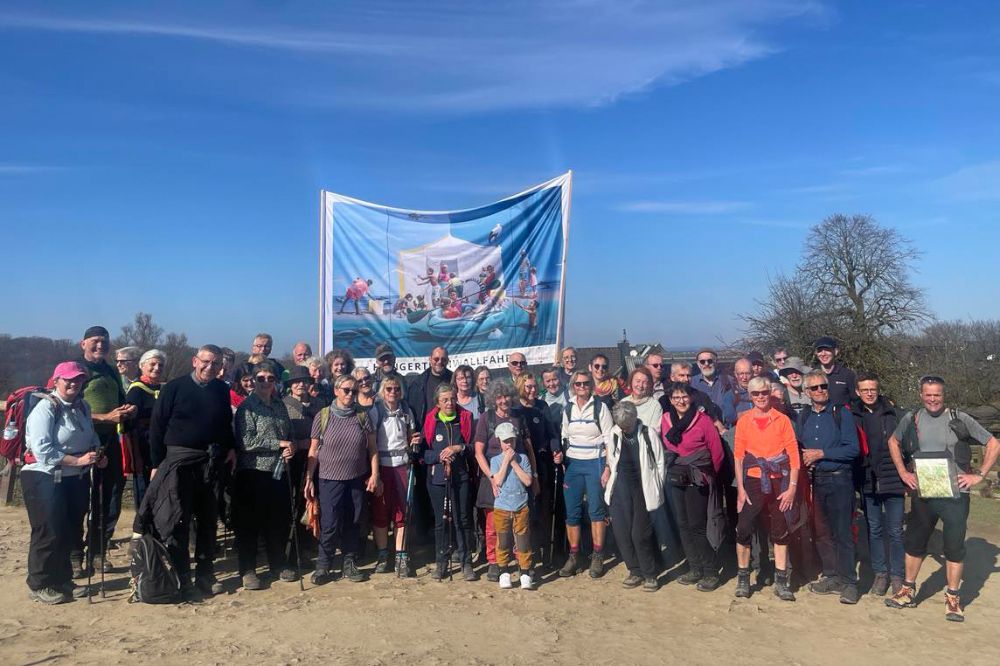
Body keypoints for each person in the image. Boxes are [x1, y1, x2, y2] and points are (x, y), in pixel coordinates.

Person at [885, 375, 1000, 622]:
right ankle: (907, 590)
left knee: (954, 546)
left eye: (937, 394)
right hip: (924, 492)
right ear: (921, 395)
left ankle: (952, 598)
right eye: (928, 394)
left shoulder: (959, 418)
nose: (933, 399)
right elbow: (893, 442)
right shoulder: (911, 418)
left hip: (956, 494)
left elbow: (993, 443)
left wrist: (978, 475)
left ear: (943, 395)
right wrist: (903, 472)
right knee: (915, 542)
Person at [144, 344, 235, 597]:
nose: (210, 367)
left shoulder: (221, 390)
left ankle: (206, 573)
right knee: (178, 520)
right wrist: (156, 464)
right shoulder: (174, 387)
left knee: (208, 520)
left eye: (216, 364)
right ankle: (183, 576)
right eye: (206, 362)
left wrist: (230, 447)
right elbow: (157, 427)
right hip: (178, 462)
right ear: (195, 361)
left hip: (211, 462)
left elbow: (226, 421)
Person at [22, 362, 105, 603]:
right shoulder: (45, 408)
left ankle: (62, 579)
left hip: (73, 478)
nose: (73, 384)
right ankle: (39, 583)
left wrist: (97, 453)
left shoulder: (83, 406)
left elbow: (91, 435)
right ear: (56, 380)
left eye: (78, 380)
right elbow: (42, 450)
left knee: (69, 530)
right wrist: (78, 460)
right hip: (44, 476)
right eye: (68, 379)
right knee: (48, 531)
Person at [304, 374, 380, 584]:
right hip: (329, 479)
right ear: (336, 390)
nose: (350, 394)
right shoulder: (323, 415)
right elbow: (313, 449)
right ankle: (323, 566)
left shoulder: (363, 416)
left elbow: (373, 449)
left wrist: (375, 474)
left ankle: (349, 562)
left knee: (354, 521)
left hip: (356, 478)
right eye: (346, 390)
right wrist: (309, 478)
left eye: (353, 391)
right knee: (329, 523)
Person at [732, 376, 800, 602]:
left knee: (780, 530)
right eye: (755, 394)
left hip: (778, 480)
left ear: (769, 393)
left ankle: (781, 581)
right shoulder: (744, 421)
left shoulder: (782, 420)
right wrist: (740, 489)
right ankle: (743, 577)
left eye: (764, 392)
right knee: (743, 527)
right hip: (753, 481)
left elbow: (794, 456)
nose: (760, 397)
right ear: (749, 396)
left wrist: (791, 488)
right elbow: (739, 457)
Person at [797, 369, 861, 603]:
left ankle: (849, 582)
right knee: (822, 533)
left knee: (843, 532)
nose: (820, 391)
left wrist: (822, 454)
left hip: (839, 479)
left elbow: (852, 449)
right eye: (814, 388)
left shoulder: (841, 414)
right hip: (816, 481)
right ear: (806, 392)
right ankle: (832, 575)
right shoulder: (805, 417)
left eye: (823, 386)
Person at [233, 360, 297, 589]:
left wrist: (291, 447)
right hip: (253, 471)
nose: (266, 382)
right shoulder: (246, 407)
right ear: (253, 381)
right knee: (250, 524)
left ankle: (278, 564)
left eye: (270, 378)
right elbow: (245, 442)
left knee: (276, 521)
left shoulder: (280, 406)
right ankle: (248, 569)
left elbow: (288, 434)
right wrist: (277, 443)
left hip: (278, 471)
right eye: (260, 378)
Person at [77, 325, 135, 577]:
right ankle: (74, 554)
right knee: (78, 501)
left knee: (109, 499)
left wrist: (126, 410)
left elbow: (120, 402)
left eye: (105, 342)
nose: (100, 345)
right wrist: (105, 417)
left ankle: (98, 551)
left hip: (110, 443)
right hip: (80, 444)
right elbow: (68, 408)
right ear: (83, 344)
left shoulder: (111, 371)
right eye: (95, 341)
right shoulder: (76, 371)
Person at [661, 382, 726, 592]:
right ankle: (694, 567)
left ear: (691, 397)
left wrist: (708, 476)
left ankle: (710, 570)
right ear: (670, 400)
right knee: (682, 524)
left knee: (698, 525)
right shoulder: (665, 420)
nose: (681, 401)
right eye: (676, 397)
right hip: (676, 477)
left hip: (699, 478)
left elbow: (717, 452)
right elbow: (668, 447)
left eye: (684, 396)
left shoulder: (704, 421)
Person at [474, 380, 538, 582]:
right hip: (493, 474)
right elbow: (478, 452)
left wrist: (534, 476)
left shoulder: (519, 417)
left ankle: (522, 562)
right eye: (500, 397)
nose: (504, 401)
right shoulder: (487, 418)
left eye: (507, 396)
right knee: (494, 524)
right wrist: (492, 478)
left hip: (519, 473)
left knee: (520, 525)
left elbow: (529, 448)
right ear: (494, 399)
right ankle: (495, 562)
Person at [849, 372, 904, 596]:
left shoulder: (894, 414)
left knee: (896, 531)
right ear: (857, 392)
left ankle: (898, 575)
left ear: (878, 389)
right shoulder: (852, 416)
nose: (869, 393)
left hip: (893, 478)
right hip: (868, 480)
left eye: (873, 389)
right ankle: (881, 574)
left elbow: (906, 445)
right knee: (875, 530)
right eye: (865, 390)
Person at [556, 370, 614, 579]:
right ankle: (574, 556)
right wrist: (562, 459)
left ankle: (597, 555)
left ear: (591, 385)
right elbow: (564, 435)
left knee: (596, 511)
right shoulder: (569, 408)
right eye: (578, 384)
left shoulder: (601, 407)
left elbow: (609, 439)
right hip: (573, 464)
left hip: (595, 462)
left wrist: (608, 467)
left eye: (586, 383)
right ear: (573, 386)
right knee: (572, 512)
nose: (582, 387)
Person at [603, 401, 664, 592]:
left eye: (627, 425)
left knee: (640, 534)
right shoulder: (614, 433)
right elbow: (612, 459)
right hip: (620, 488)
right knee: (622, 532)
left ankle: (650, 574)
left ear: (634, 419)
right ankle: (634, 570)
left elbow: (660, 463)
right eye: (621, 425)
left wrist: (657, 489)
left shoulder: (648, 434)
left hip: (643, 489)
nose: (624, 429)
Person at [421, 384, 476, 581]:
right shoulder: (431, 421)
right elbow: (424, 454)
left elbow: (473, 448)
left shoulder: (465, 419)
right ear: (438, 402)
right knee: (440, 522)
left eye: (452, 399)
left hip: (461, 477)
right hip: (437, 479)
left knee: (462, 520)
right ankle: (441, 564)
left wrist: (458, 447)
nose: (449, 403)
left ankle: (466, 563)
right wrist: (439, 456)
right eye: (445, 400)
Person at [370, 377, 420, 576]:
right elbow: (371, 442)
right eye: (389, 389)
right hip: (382, 466)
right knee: (380, 512)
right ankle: (383, 555)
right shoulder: (376, 410)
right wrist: (375, 473)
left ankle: (401, 556)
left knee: (402, 513)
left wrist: (414, 440)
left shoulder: (407, 411)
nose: (393, 392)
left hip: (402, 466)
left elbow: (412, 436)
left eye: (396, 389)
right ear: (383, 391)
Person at [513, 373, 557, 563]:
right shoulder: (515, 409)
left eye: (534, 386)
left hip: (543, 460)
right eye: (528, 387)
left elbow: (552, 433)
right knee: (526, 509)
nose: (532, 390)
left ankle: (545, 550)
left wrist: (556, 449)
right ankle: (527, 550)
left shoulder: (542, 406)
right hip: (523, 463)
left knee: (544, 508)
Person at [282, 364, 319, 571]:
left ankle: (307, 548)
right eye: (296, 382)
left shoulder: (319, 404)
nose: (300, 385)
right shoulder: (283, 404)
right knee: (294, 506)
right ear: (290, 385)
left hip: (315, 459)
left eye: (304, 381)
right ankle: (290, 554)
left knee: (310, 504)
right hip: (292, 461)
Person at [491, 422, 535, 590]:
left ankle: (524, 572)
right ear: (499, 442)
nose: (509, 444)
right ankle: (504, 571)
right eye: (505, 441)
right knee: (503, 541)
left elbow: (528, 481)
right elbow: (498, 481)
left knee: (523, 541)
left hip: (520, 506)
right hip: (502, 507)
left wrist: (514, 463)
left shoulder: (523, 459)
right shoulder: (495, 460)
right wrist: (506, 461)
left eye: (511, 440)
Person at [124, 349, 167, 510]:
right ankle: (142, 522)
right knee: (143, 481)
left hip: (161, 440)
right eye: (153, 364)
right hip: (142, 442)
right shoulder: (136, 389)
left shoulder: (164, 389)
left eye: (160, 365)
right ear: (142, 366)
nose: (157, 368)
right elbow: (130, 422)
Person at [662, 362, 725, 432]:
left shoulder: (702, 397)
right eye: (681, 375)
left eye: (688, 376)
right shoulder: (665, 400)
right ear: (672, 377)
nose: (686, 379)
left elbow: (715, 421)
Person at [407, 346, 453, 426]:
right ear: (430, 359)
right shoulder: (417, 383)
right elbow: (411, 410)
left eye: (443, 359)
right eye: (436, 359)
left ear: (447, 361)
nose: (439, 362)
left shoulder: (454, 380)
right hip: (426, 432)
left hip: (449, 430)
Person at [814, 336, 856, 407]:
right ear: (816, 354)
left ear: (836, 351)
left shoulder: (848, 374)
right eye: (820, 350)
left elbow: (856, 401)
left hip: (843, 417)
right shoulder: (812, 375)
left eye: (827, 350)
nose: (823, 354)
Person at [691, 348, 733, 413]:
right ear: (698, 364)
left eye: (710, 361)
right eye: (702, 362)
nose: (706, 364)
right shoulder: (692, 383)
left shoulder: (728, 380)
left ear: (716, 362)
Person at [722, 358, 753, 427]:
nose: (744, 377)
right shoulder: (730, 395)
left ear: (752, 373)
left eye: (748, 373)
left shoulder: (760, 391)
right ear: (735, 374)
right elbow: (731, 418)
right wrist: (756, 412)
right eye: (741, 373)